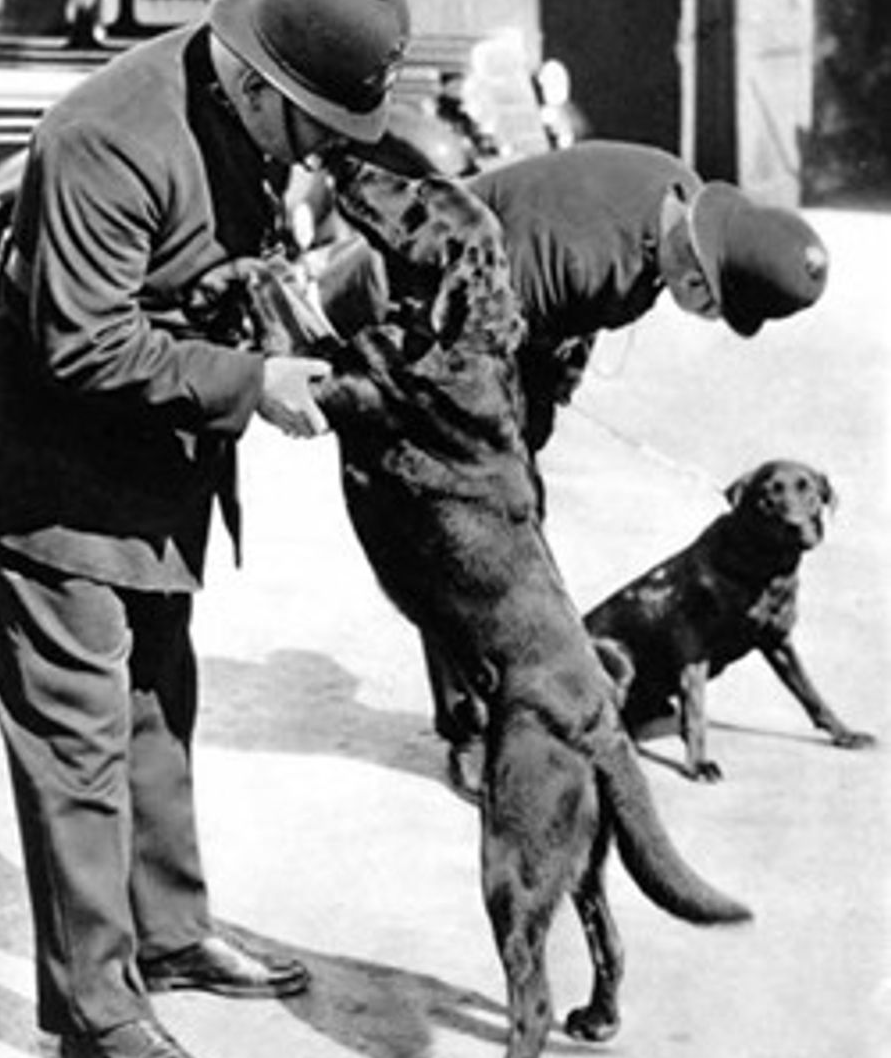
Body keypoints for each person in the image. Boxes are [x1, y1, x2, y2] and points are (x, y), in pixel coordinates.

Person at [0, 0, 409, 1058]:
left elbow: (216, 257)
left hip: (147, 465)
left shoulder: (248, 112)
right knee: (77, 744)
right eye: (318, 121)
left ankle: (171, 931)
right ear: (254, 79)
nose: (325, 145)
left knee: (152, 711)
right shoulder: (105, 135)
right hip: (45, 472)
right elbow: (81, 344)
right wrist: (253, 381)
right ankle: (93, 1004)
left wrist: (282, 294)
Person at [318, 139, 830, 790]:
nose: (701, 314)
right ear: (697, 259)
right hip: (405, 312)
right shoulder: (587, 256)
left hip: (505, 324)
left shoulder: (672, 197)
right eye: (710, 301)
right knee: (460, 539)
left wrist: (539, 418)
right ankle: (473, 732)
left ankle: (512, 708)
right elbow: (468, 360)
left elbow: (559, 337)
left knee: (516, 527)